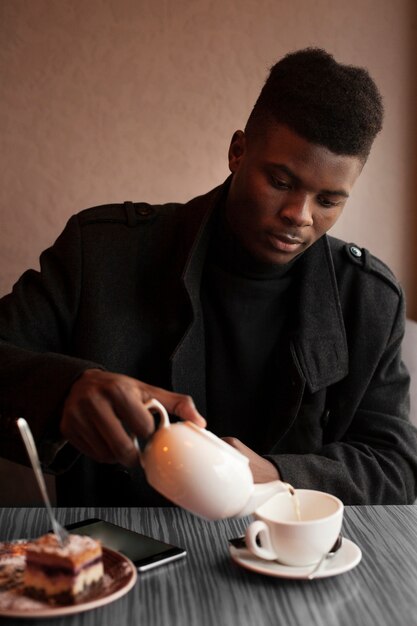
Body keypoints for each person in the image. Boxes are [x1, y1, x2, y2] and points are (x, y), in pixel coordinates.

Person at [1, 48, 416, 507]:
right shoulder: (99, 253)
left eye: (329, 201)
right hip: (119, 559)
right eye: (280, 182)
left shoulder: (368, 299)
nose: (299, 216)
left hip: (295, 568)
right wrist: (66, 390)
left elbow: (395, 466)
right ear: (237, 151)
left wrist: (280, 476)